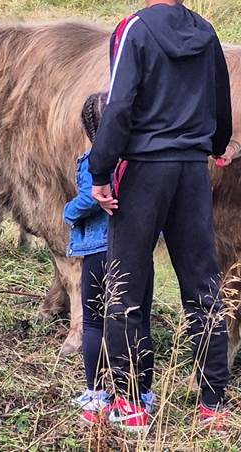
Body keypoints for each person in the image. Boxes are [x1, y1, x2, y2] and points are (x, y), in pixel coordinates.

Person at [87, 0, 238, 433]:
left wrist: (100, 169)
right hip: (192, 172)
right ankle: (213, 404)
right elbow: (221, 102)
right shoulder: (207, 32)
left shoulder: (132, 30)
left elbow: (119, 107)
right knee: (203, 285)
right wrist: (214, 147)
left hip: (143, 173)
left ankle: (132, 404)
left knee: (126, 285)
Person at [65, 94, 157, 425]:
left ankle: (98, 394)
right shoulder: (143, 163)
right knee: (139, 318)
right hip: (139, 251)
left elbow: (88, 201)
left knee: (94, 322)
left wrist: (67, 211)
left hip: (99, 251)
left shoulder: (95, 161)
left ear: (89, 128)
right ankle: (140, 393)